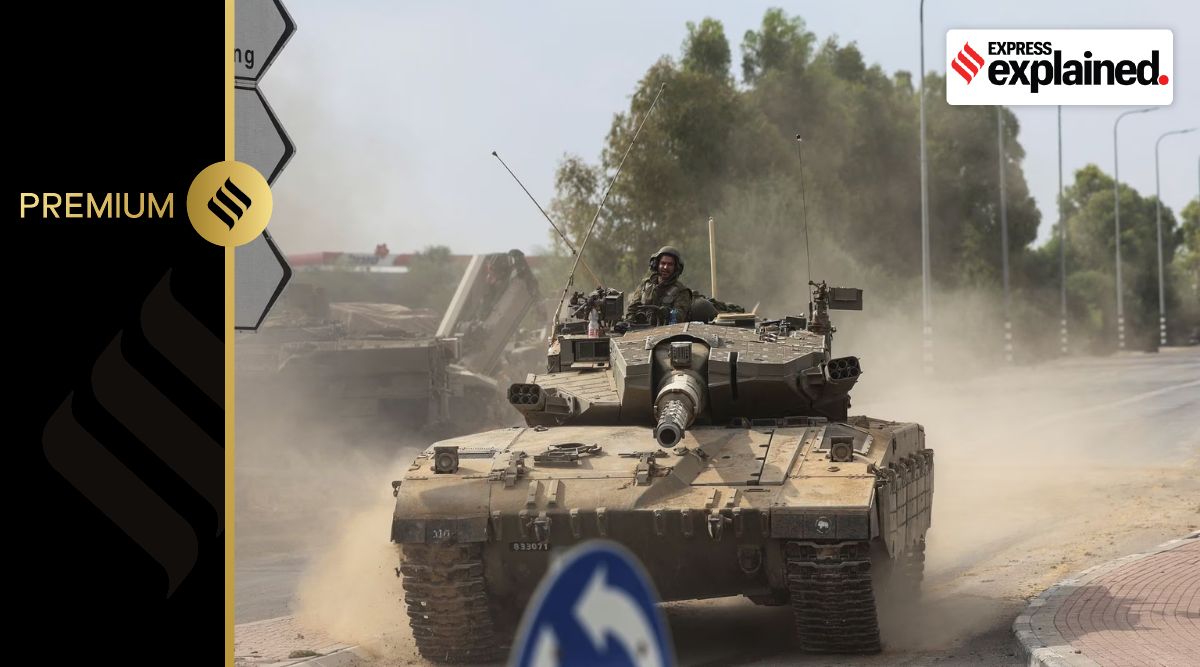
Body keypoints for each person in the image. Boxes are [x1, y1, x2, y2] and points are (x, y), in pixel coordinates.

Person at [626, 246, 692, 323]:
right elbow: (632, 309)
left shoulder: (682, 291)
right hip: (641, 330)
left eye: (670, 264)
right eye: (663, 263)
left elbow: (679, 317)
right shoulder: (645, 285)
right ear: (656, 264)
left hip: (668, 333)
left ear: (676, 268)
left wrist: (667, 313)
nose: (665, 267)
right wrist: (628, 323)